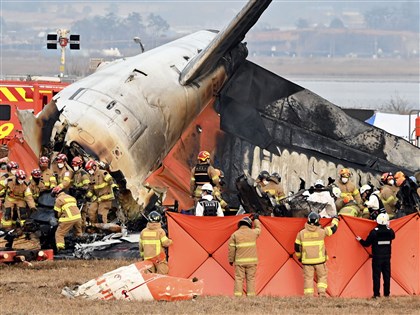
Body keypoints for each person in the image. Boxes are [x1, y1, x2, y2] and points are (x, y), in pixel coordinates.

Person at [294, 212, 339, 297]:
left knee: (308, 278)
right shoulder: (322, 232)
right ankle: (321, 293)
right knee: (322, 276)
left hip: (307, 261)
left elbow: (296, 247)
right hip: (320, 261)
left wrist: (299, 258)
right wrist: (336, 219)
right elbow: (333, 229)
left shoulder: (301, 233)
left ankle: (308, 296)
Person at [356, 213, 395, 298]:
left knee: (376, 276)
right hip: (387, 257)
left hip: (377, 258)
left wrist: (360, 240)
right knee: (387, 276)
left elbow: (367, 244)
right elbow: (393, 237)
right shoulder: (390, 231)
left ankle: (376, 295)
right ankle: (387, 294)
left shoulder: (374, 232)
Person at [228, 215, 261, 297]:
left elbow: (231, 249)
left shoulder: (235, 235)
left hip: (240, 262)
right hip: (252, 262)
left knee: (239, 279)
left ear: (239, 225)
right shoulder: (253, 233)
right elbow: (259, 229)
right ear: (249, 224)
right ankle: (251, 297)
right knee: (251, 279)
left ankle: (238, 297)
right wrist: (256, 219)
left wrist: (231, 260)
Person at [139, 210, 172, 274]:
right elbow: (165, 243)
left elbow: (140, 246)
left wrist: (143, 255)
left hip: (147, 258)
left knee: (150, 277)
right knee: (162, 275)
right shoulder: (160, 231)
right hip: (159, 258)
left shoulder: (143, 232)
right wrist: (171, 241)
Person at [51, 186, 82, 251]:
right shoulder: (71, 197)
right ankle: (81, 246)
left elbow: (57, 213)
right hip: (78, 217)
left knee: (59, 234)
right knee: (78, 233)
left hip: (68, 218)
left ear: (56, 194)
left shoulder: (59, 199)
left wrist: (58, 220)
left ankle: (60, 249)